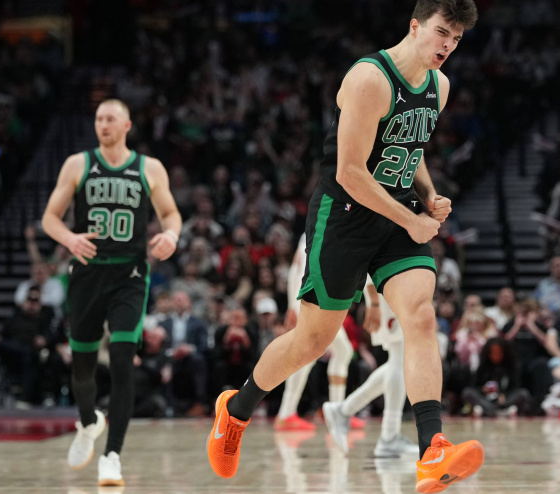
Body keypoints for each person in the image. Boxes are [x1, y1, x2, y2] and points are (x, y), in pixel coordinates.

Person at [205, 2, 483, 491]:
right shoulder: (368, 79)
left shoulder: (438, 87)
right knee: (313, 341)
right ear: (414, 24)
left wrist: (429, 195)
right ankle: (237, 408)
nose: (447, 46)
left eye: (456, 40)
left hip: (395, 214)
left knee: (420, 315)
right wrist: (414, 221)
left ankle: (432, 451)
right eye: (441, 32)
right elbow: (350, 172)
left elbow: (408, 150)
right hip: (346, 216)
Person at [41, 99, 181, 486]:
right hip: (86, 275)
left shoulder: (148, 168)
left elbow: (171, 213)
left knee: (122, 357)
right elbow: (50, 217)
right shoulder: (78, 163)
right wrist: (69, 238)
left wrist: (170, 234)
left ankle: (112, 456)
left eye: (110, 119)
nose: (103, 124)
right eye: (99, 118)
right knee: (82, 366)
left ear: (127, 125)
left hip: (130, 275)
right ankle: (89, 423)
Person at [323, 276, 421, 457]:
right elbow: (369, 251)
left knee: (400, 360)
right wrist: (374, 302)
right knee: (400, 357)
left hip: (395, 285)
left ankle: (344, 411)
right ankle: (389, 437)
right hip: (385, 286)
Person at [272, 234, 360, 432]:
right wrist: (293, 305)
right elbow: (298, 267)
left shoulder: (320, 226)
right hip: (311, 298)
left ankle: (335, 411)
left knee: (339, 352)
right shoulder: (324, 223)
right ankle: (291, 413)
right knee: (313, 354)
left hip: (314, 297)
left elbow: (296, 267)